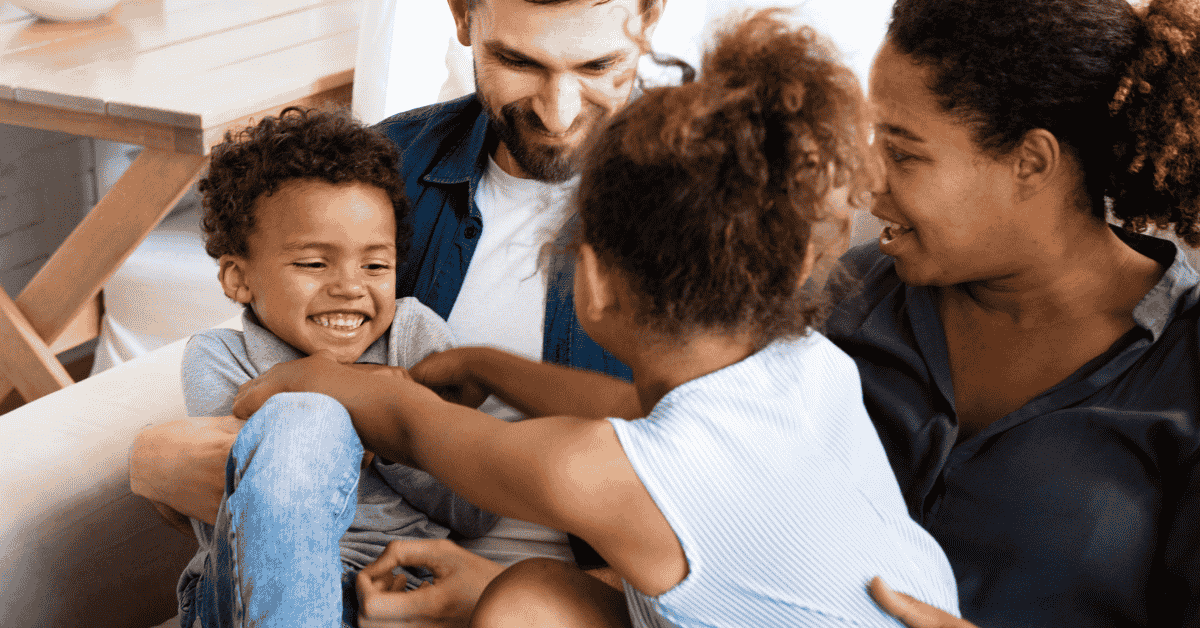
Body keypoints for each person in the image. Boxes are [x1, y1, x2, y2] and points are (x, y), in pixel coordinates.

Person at [232, 10, 962, 627]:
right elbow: (630, 407)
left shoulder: (598, 475)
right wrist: (489, 366)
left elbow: (414, 422)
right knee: (528, 597)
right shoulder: (806, 367)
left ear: (593, 282)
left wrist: (301, 381)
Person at [130, 0, 668, 623]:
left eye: (599, 65)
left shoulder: (725, 212)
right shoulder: (387, 170)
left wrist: (496, 589)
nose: (559, 112)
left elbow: (734, 503)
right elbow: (262, 364)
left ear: (650, 17)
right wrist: (159, 460)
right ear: (464, 16)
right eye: (517, 61)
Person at [823, 0, 1199, 626]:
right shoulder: (852, 295)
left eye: (905, 153)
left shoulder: (1183, 369)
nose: (866, 183)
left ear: (1031, 162)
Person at [172, 107, 502, 627]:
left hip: (397, 590)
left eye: (376, 265)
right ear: (238, 278)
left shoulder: (415, 338)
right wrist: (383, 409)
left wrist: (393, 433)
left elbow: (477, 509)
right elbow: (233, 502)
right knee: (302, 420)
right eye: (313, 263)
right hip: (245, 595)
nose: (351, 285)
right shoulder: (218, 358)